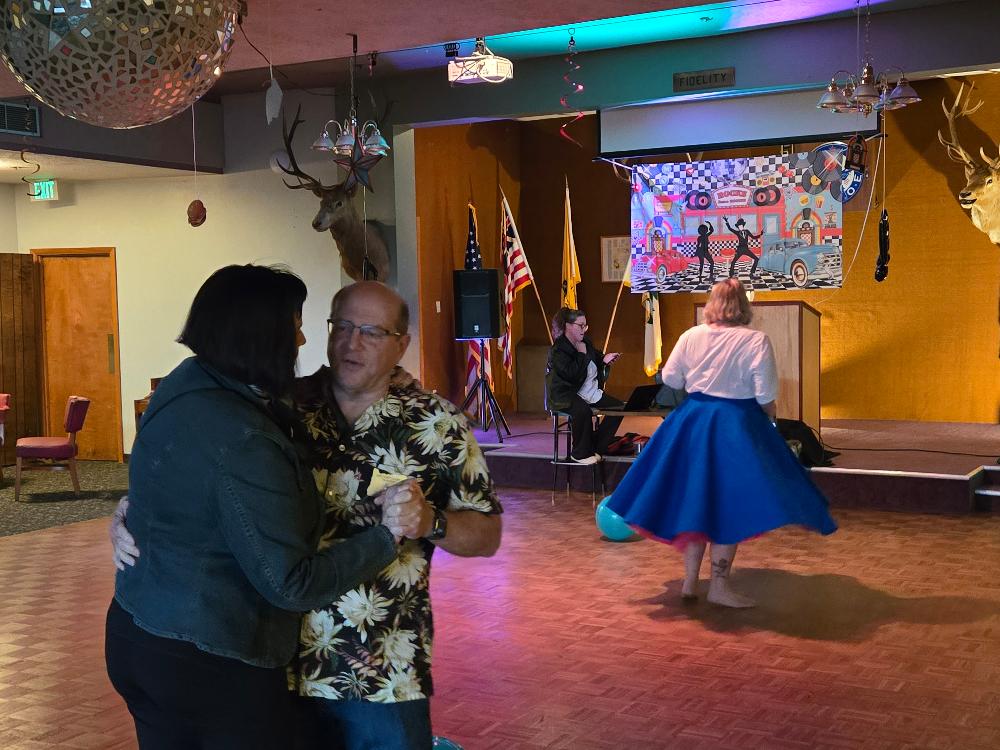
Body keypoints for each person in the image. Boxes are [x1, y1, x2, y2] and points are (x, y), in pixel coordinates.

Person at [113, 280, 503, 750]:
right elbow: (197, 471)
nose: (350, 343)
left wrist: (431, 522)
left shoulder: (439, 425)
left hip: (379, 671)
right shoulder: (278, 404)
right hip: (275, 665)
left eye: (371, 332)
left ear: (402, 343)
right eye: (341, 325)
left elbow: (487, 534)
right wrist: (131, 517)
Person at [605, 278, 837, 608]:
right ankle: (719, 587)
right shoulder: (755, 340)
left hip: (693, 423)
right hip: (735, 426)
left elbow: (670, 379)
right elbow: (766, 394)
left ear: (712, 303)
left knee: (696, 501)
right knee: (728, 507)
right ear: (743, 305)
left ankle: (689, 583)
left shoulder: (690, 336)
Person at [544, 307, 624, 465]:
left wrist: (604, 358)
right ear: (568, 326)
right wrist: (580, 354)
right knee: (582, 411)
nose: (584, 329)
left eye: (585, 325)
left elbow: (595, 355)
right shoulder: (558, 349)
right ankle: (579, 453)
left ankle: (595, 446)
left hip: (589, 392)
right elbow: (570, 375)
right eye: (581, 325)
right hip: (565, 393)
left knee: (620, 408)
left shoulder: (585, 342)